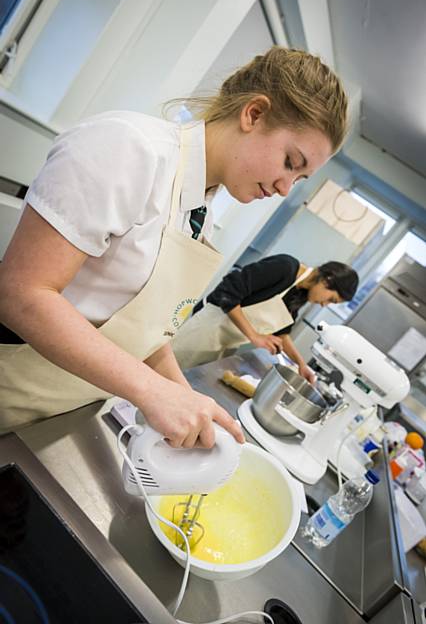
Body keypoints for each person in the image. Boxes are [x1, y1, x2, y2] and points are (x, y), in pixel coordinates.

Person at [0, 46, 348, 446]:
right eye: (290, 161)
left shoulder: (201, 212)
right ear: (253, 114)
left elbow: (145, 330)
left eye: (300, 179)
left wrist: (184, 395)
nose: (285, 188)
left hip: (59, 413)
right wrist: (149, 390)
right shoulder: (128, 149)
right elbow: (22, 294)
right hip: (13, 391)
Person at [171, 256, 359, 380]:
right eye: (331, 299)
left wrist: (302, 365)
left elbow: (282, 334)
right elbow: (228, 292)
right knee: (164, 375)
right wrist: (254, 336)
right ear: (327, 280)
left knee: (187, 381)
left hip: (223, 346)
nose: (324, 305)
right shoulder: (285, 267)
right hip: (206, 330)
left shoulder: (299, 295)